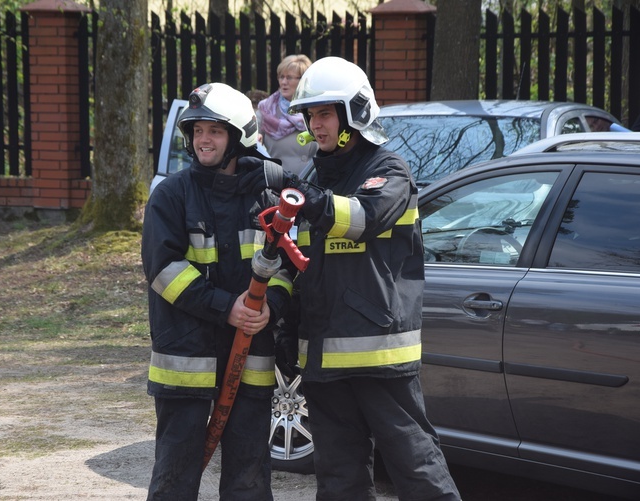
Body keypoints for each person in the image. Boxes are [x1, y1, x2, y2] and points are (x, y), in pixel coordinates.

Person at [250, 56, 462, 500]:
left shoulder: (387, 171)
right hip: (324, 356)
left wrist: (305, 196)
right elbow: (298, 260)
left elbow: (361, 219)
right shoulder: (315, 177)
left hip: (378, 355)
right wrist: (282, 311)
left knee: (416, 468)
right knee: (339, 479)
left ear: (355, 114)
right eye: (310, 115)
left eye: (325, 113)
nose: (316, 124)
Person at [141, 82, 292, 501]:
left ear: (239, 137)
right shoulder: (170, 196)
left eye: (215, 131)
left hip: (250, 354)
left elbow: (283, 266)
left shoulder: (267, 196)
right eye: (197, 131)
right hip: (186, 356)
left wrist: (270, 308)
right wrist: (228, 308)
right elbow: (163, 270)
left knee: (249, 473)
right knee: (176, 472)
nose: (203, 140)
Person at [257, 54, 319, 175]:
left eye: (289, 78)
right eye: (281, 77)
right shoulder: (267, 109)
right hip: (278, 184)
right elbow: (252, 138)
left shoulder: (317, 109)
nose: (284, 82)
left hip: (314, 184)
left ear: (303, 80)